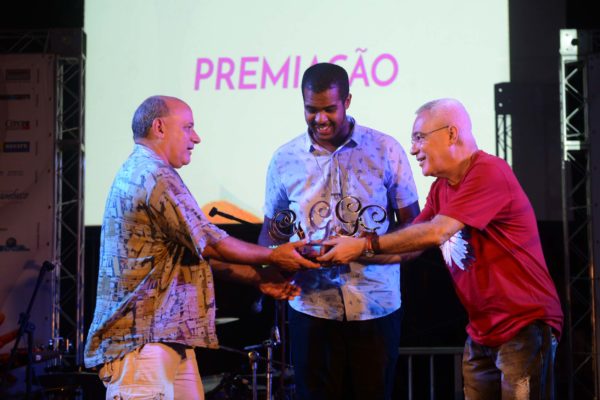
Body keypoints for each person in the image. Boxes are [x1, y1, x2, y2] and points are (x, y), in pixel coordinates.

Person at [319, 98, 564, 399]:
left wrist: (362, 245)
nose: (413, 150)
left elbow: (435, 232)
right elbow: (409, 246)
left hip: (523, 325)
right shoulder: (441, 189)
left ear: (451, 134)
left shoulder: (488, 172)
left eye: (419, 138)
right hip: (482, 331)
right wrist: (349, 252)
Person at [84, 95, 319, 400]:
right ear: (159, 127)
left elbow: (194, 255)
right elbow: (209, 242)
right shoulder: (154, 174)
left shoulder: (148, 171)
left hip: (165, 341)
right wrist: (274, 255)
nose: (196, 137)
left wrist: (262, 279)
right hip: (141, 346)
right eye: (188, 127)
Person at [258, 63, 420, 400]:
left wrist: (367, 249)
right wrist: (275, 264)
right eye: (311, 110)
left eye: (329, 109)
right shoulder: (284, 159)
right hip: (311, 307)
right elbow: (270, 235)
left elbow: (414, 230)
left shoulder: (385, 149)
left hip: (376, 305)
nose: (320, 119)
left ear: (347, 100)